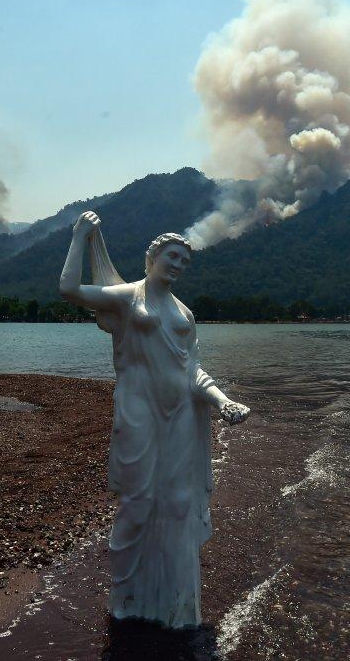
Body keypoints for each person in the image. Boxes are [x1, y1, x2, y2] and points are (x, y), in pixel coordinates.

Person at [59, 210, 250, 629]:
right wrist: (79, 236)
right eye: (172, 256)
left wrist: (222, 401)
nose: (178, 265)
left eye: (185, 260)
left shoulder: (185, 314)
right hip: (139, 411)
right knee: (138, 503)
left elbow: (192, 371)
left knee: (179, 504)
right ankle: (126, 594)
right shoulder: (128, 297)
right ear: (153, 258)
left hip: (182, 414)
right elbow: (69, 288)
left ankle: (176, 604)